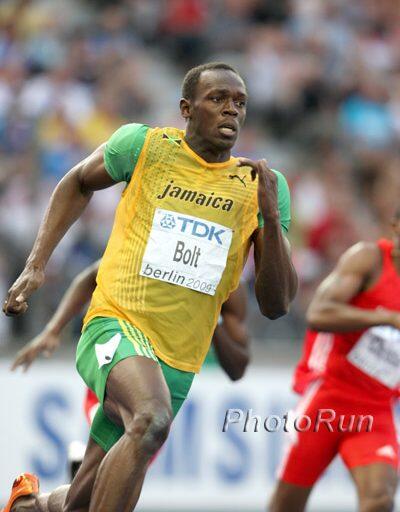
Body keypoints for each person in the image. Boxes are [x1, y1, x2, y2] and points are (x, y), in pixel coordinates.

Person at [2, 61, 297, 512]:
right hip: (116, 324)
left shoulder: (260, 187)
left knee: (84, 498)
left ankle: (30, 505)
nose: (231, 110)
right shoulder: (144, 146)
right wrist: (36, 265)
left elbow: (276, 304)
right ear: (186, 108)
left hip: (178, 359)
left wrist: (271, 219)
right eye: (217, 99)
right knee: (151, 418)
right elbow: (77, 182)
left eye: (240, 103)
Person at [11, 260, 250, 479]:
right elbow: (91, 277)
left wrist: (211, 316)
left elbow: (238, 368)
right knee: (110, 470)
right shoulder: (161, 239)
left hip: (166, 388)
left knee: (107, 486)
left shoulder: (228, 279)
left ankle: (30, 501)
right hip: (122, 358)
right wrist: (53, 330)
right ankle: (84, 466)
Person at [270, 208, 400, 512]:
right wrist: (387, 318)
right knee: (286, 506)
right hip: (327, 400)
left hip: (375, 410)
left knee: (380, 498)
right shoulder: (369, 259)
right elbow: (318, 313)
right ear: (395, 226)